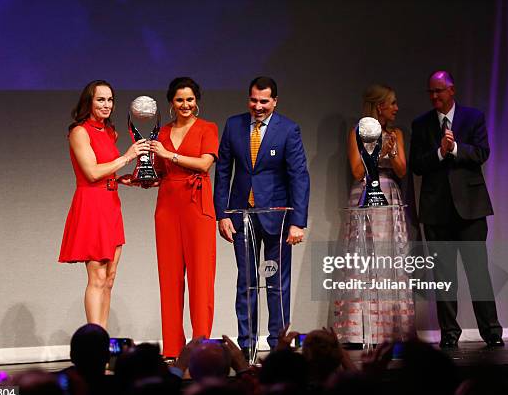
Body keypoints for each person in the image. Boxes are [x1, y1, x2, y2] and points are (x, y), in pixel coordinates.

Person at [214, 76, 310, 355]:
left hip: (277, 220)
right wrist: (222, 214)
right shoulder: (234, 125)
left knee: (276, 282)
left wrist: (298, 222)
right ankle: (246, 346)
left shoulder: (288, 130)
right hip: (241, 217)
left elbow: (299, 177)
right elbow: (222, 173)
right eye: (254, 100)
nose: (258, 106)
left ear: (274, 102)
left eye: (264, 101)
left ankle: (278, 345)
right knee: (247, 281)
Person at [410, 70, 503, 348]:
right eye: (430, 92)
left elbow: (481, 153)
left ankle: (491, 331)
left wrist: (454, 149)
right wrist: (439, 152)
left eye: (439, 90)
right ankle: (449, 333)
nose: (434, 96)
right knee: (443, 276)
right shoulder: (422, 124)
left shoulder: (473, 117)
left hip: (471, 211)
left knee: (478, 273)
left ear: (452, 90)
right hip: (437, 211)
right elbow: (416, 164)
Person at [59, 80, 150, 329]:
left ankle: (104, 340)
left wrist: (124, 179)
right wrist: (128, 157)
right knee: (97, 277)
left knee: (109, 278)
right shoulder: (80, 131)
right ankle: (94, 342)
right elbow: (91, 172)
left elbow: (106, 170)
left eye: (110, 100)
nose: (106, 105)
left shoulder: (110, 132)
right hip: (91, 205)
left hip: (111, 203)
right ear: (88, 102)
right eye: (101, 99)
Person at [331, 84, 415, 345]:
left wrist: (392, 149)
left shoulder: (396, 133)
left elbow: (401, 171)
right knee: (363, 260)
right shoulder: (357, 132)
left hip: (389, 195)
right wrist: (377, 150)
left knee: (389, 259)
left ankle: (393, 329)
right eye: (392, 103)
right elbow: (357, 171)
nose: (396, 108)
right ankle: (360, 331)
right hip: (365, 193)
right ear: (380, 106)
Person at [150, 77, 219, 358]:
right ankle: (172, 348)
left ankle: (200, 345)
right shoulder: (161, 132)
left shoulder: (207, 128)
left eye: (190, 99)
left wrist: (170, 155)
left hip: (197, 205)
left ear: (197, 101)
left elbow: (204, 163)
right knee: (169, 279)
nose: (185, 105)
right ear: (171, 103)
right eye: (180, 100)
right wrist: (140, 178)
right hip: (167, 206)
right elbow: (159, 172)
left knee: (201, 278)